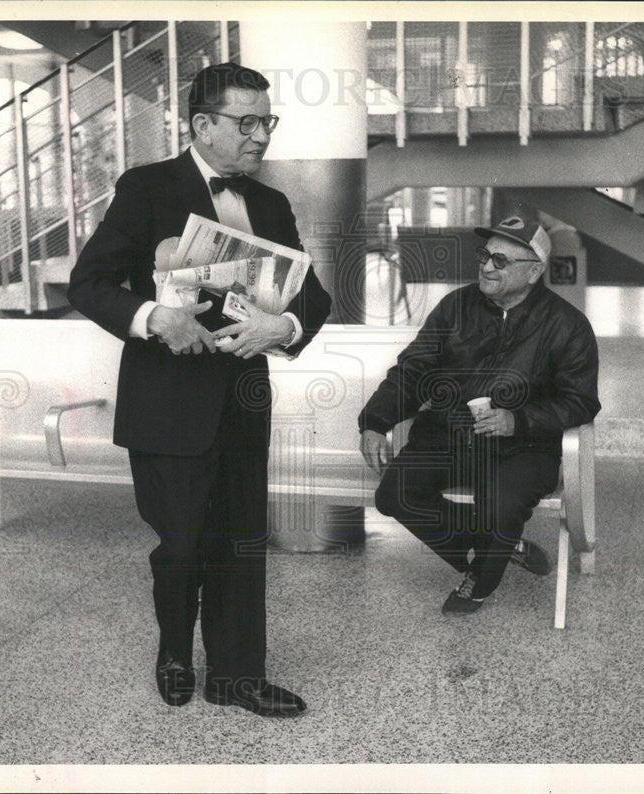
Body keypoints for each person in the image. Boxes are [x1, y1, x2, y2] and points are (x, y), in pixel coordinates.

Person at [68, 63, 331, 715]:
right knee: (182, 547)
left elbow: (314, 296)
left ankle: (236, 677)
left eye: (266, 122)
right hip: (168, 406)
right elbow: (89, 282)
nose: (259, 136)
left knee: (241, 546)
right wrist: (153, 316)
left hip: (242, 403)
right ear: (201, 124)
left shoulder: (271, 203)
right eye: (246, 123)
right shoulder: (147, 188)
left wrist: (285, 324)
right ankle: (175, 653)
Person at [358, 216, 600, 616]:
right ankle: (499, 546)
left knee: (499, 506)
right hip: (448, 433)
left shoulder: (568, 326)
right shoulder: (456, 307)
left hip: (524, 447)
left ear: (534, 271)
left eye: (501, 261)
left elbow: (580, 401)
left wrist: (518, 420)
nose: (487, 267)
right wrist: (375, 421)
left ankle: (480, 578)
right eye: (485, 256)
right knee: (394, 494)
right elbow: (413, 370)